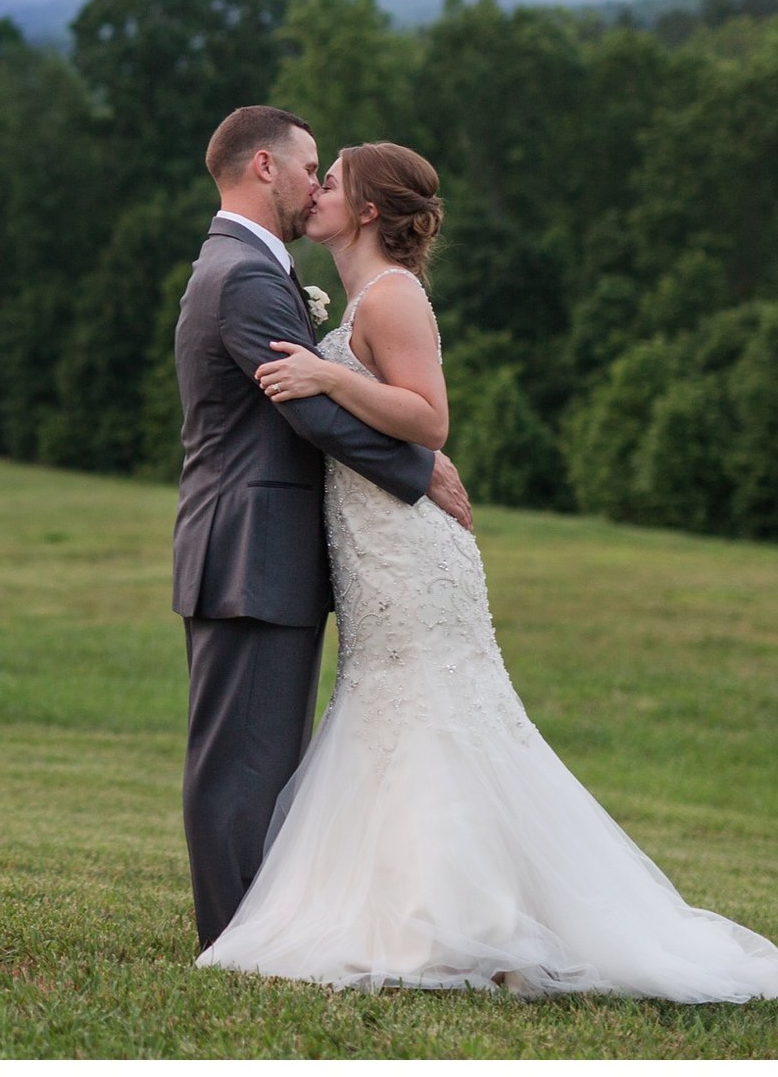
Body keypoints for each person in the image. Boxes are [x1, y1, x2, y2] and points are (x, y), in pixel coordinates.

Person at [193, 139, 778, 1002]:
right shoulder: (351, 291)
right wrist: (333, 374)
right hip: (369, 541)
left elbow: (429, 421)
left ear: (369, 210)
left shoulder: (396, 294)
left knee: (434, 714)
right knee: (385, 715)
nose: (318, 187)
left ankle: (463, 921)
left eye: (332, 178)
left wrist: (329, 376)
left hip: (408, 549)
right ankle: (405, 908)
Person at [171, 106, 472, 956]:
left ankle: (256, 931)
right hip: (249, 552)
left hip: (260, 550)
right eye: (310, 167)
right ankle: (233, 942)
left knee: (264, 762)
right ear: (265, 167)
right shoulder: (245, 274)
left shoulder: (247, 266)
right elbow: (308, 412)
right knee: (244, 766)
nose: (315, 185)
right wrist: (423, 470)